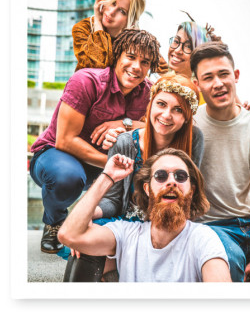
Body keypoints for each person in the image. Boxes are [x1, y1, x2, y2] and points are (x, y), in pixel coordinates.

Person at [62, 73, 204, 282]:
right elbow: (112, 199)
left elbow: (191, 195)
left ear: (186, 118)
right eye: (161, 104)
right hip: (126, 221)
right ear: (150, 106)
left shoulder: (194, 138)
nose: (166, 115)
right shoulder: (125, 142)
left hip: (168, 222)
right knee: (84, 245)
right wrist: (91, 214)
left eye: (178, 110)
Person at [29, 28, 160, 254]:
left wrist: (124, 122)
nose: (137, 66)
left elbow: (158, 125)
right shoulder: (86, 81)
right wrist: (112, 165)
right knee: (67, 178)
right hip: (56, 155)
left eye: (145, 61)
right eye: (130, 56)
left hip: (106, 164)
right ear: (117, 55)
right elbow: (65, 140)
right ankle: (54, 221)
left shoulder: (150, 93)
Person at [58, 149, 231, 282]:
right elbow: (69, 235)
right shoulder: (126, 233)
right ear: (147, 189)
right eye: (161, 176)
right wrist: (107, 177)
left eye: (180, 176)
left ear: (191, 191)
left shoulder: (203, 239)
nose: (171, 181)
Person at [190, 41, 250, 282]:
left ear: (236, 76)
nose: (218, 83)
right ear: (197, 85)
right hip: (213, 227)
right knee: (228, 263)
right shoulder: (189, 125)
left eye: (223, 74)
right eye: (208, 78)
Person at [72, 0, 146, 72]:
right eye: (113, 3)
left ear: (131, 20)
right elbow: (96, 66)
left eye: (122, 11)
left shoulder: (133, 42)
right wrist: (98, 23)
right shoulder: (83, 28)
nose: (111, 12)